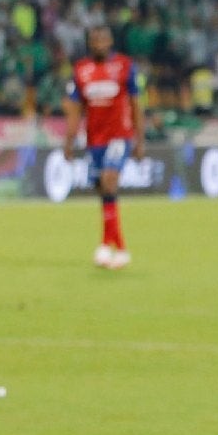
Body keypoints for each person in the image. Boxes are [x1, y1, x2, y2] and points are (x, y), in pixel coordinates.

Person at [63, 25, 146, 269]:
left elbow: (135, 103)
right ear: (90, 43)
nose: (99, 43)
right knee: (102, 188)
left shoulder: (124, 66)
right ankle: (111, 244)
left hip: (119, 135)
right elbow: (75, 110)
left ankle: (116, 248)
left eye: (103, 39)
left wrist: (140, 139)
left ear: (110, 41)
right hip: (94, 140)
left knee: (110, 180)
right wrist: (68, 141)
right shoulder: (81, 70)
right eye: (94, 39)